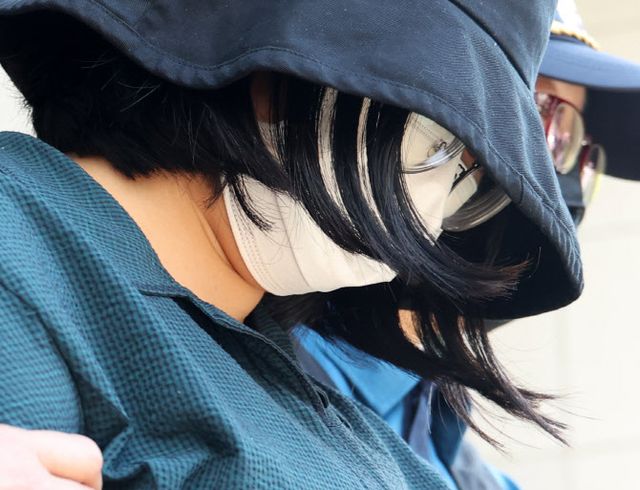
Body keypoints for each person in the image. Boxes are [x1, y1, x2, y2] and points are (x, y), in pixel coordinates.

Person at [0, 1, 581, 489]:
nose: (434, 210)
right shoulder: (27, 253)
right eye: (443, 144)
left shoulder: (330, 417)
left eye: (467, 179)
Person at [294, 1, 640, 488]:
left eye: (574, 145)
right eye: (539, 113)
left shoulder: (442, 431)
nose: (558, 174)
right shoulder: (268, 395)